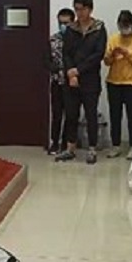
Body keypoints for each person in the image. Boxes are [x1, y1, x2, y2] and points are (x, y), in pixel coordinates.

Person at [56, 0, 108, 165]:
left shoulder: (99, 28)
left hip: (90, 78)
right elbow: (66, 53)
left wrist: (78, 70)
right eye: (76, 9)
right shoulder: (71, 29)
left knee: (91, 114)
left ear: (90, 9)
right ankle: (70, 148)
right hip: (72, 78)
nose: (79, 13)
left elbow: (98, 54)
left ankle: (92, 148)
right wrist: (71, 72)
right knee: (71, 114)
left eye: (82, 9)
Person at [104, 10, 132, 160]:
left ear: (131, 24)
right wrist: (111, 55)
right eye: (121, 26)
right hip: (113, 82)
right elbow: (106, 61)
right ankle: (115, 145)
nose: (123, 29)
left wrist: (128, 53)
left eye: (126, 26)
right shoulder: (113, 38)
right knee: (115, 115)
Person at [46, 8, 75, 154]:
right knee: (56, 114)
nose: (63, 26)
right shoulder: (52, 39)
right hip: (56, 82)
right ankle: (54, 142)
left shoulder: (77, 40)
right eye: (60, 22)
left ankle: (66, 143)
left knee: (70, 115)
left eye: (66, 23)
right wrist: (52, 67)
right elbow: (45, 59)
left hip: (71, 83)